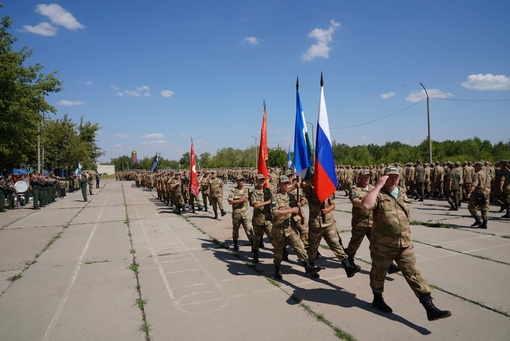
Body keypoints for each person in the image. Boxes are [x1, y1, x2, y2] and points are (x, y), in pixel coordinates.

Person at [361, 165, 451, 321]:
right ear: (384, 178)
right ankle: (377, 298)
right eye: (389, 176)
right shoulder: (378, 194)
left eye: (396, 176)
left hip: (404, 244)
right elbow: (366, 205)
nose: (393, 179)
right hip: (383, 245)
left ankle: (429, 307)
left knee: (414, 274)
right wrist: (377, 186)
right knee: (378, 273)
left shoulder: (402, 193)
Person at [301, 175, 360, 278]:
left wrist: (327, 210)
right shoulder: (310, 191)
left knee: (335, 244)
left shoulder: (327, 190)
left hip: (328, 223)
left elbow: (333, 204)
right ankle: (311, 268)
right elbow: (303, 185)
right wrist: (314, 180)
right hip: (316, 224)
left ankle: (348, 267)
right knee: (313, 247)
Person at [346, 169, 399, 273]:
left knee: (378, 244)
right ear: (359, 177)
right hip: (360, 222)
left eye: (368, 176)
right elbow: (355, 201)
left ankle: (389, 265)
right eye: (364, 176)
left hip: (373, 223)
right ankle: (349, 259)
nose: (367, 178)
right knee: (355, 243)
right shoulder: (355, 189)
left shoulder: (373, 188)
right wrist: (367, 203)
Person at [270, 175, 321, 280]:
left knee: (298, 246)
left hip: (289, 228)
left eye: (286, 183)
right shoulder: (275, 198)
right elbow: (275, 212)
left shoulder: (290, 196)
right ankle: (277, 269)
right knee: (278, 251)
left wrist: (299, 205)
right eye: (283, 183)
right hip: (278, 229)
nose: (285, 185)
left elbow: (300, 201)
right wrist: (291, 211)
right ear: (279, 184)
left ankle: (308, 267)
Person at [249, 174, 273, 263]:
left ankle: (280, 254)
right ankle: (255, 254)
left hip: (267, 219)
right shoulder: (253, 192)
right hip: (258, 219)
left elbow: (273, 201)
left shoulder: (267, 191)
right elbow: (255, 205)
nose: (261, 182)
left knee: (272, 236)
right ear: (256, 181)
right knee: (257, 238)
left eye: (263, 180)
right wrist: (267, 202)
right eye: (260, 180)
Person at [227, 175, 254, 252]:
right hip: (236, 214)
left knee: (249, 229)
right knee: (235, 230)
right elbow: (230, 201)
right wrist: (241, 200)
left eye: (242, 180)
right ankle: (235, 243)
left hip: (245, 214)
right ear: (237, 181)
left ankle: (253, 245)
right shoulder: (233, 191)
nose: (241, 182)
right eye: (239, 180)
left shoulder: (247, 190)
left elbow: (252, 198)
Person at [466, 162, 491, 229]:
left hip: (479, 192)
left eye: (475, 166)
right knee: (484, 208)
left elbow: (474, 184)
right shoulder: (487, 174)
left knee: (471, 207)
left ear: (479, 166)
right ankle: (485, 223)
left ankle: (477, 220)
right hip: (486, 192)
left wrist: (469, 193)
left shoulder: (478, 174)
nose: (474, 168)